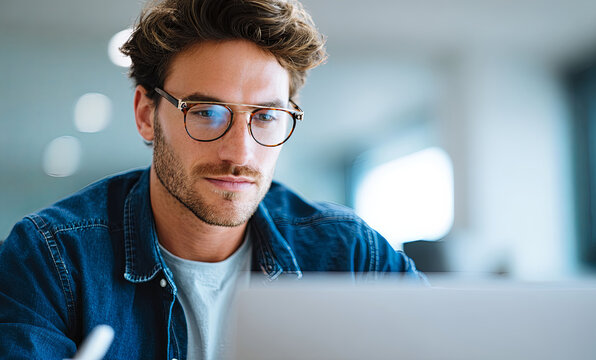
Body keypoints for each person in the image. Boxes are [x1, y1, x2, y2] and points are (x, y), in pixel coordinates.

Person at [0, 0, 423, 358]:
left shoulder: (349, 256)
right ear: (147, 115)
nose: (240, 153)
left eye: (266, 116)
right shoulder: (49, 260)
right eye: (204, 113)